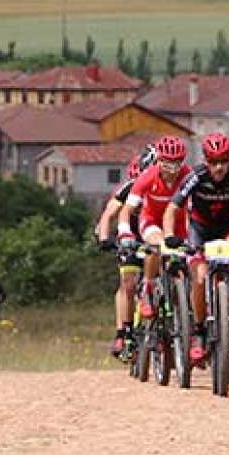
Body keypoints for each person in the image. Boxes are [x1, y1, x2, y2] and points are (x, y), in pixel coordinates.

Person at [163, 131, 229, 365]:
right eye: (214, 162)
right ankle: (200, 332)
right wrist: (170, 236)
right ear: (206, 161)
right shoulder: (196, 176)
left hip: (228, 227)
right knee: (200, 277)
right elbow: (172, 209)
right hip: (200, 229)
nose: (219, 167)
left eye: (224, 161)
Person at [118, 135, 192, 331]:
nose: (173, 169)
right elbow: (127, 210)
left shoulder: (188, 175)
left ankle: (186, 309)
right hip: (150, 221)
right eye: (168, 163)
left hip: (177, 225)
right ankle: (148, 290)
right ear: (159, 160)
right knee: (156, 246)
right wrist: (125, 233)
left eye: (177, 163)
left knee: (192, 261)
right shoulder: (147, 177)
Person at [94, 146, 155, 356]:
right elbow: (108, 214)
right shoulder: (129, 188)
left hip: (155, 236)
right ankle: (123, 333)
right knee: (128, 282)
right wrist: (104, 238)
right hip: (131, 237)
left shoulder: (168, 189)